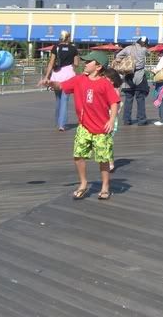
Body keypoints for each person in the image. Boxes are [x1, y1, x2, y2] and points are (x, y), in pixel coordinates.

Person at [46, 51, 119, 200]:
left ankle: (105, 187)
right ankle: (83, 183)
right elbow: (61, 85)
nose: (85, 64)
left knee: (103, 159)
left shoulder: (105, 83)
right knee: (78, 155)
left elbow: (114, 102)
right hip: (84, 126)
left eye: (88, 62)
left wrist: (111, 120)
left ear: (98, 66)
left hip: (101, 129)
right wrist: (51, 83)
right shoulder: (79, 79)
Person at [39, 31, 79, 131]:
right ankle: (62, 124)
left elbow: (51, 63)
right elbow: (76, 63)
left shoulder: (55, 47)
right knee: (65, 100)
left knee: (58, 99)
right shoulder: (73, 48)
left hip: (57, 74)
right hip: (68, 74)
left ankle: (58, 121)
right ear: (68, 38)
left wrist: (46, 77)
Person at [116, 36, 149, 125]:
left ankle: (126, 120)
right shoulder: (144, 49)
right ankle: (141, 120)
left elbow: (118, 56)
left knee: (128, 99)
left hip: (128, 75)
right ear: (145, 43)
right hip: (139, 76)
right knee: (140, 99)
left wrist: (124, 62)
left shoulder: (128, 48)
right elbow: (149, 53)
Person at [102, 68, 123, 173]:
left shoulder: (114, 90)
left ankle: (110, 162)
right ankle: (107, 161)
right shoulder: (108, 89)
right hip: (103, 117)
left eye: (105, 78)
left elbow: (114, 105)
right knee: (105, 141)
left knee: (107, 141)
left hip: (111, 118)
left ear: (112, 80)